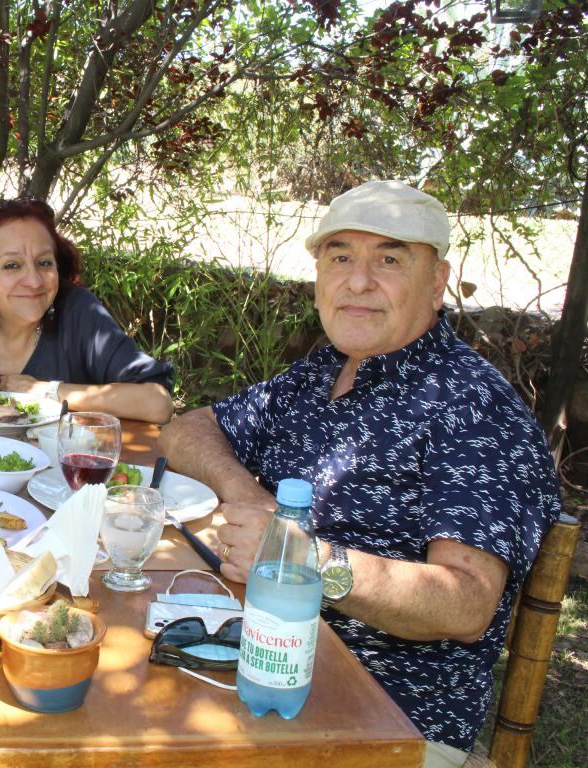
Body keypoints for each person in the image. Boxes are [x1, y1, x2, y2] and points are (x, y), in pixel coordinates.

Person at [158, 180, 560, 766]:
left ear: (438, 281)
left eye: (389, 259)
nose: (359, 280)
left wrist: (310, 563)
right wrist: (253, 498)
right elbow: (188, 429)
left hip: (383, 722)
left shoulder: (472, 409)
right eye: (340, 256)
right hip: (256, 664)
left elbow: (466, 605)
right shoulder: (328, 369)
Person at [0, 197, 174, 423]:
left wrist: (47, 391)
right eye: (12, 265)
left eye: (43, 263)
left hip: (56, 486)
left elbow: (157, 402)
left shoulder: (79, 311)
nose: (34, 281)